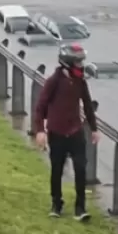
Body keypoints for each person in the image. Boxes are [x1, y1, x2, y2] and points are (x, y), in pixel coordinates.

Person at [33, 43, 100, 221]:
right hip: (57, 132)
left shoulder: (80, 81)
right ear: (68, 62)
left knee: (80, 168)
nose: (81, 65)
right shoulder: (54, 81)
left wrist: (94, 128)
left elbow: (87, 104)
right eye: (78, 62)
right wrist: (40, 130)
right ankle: (57, 203)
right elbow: (40, 107)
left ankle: (80, 208)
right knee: (57, 169)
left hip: (76, 131)